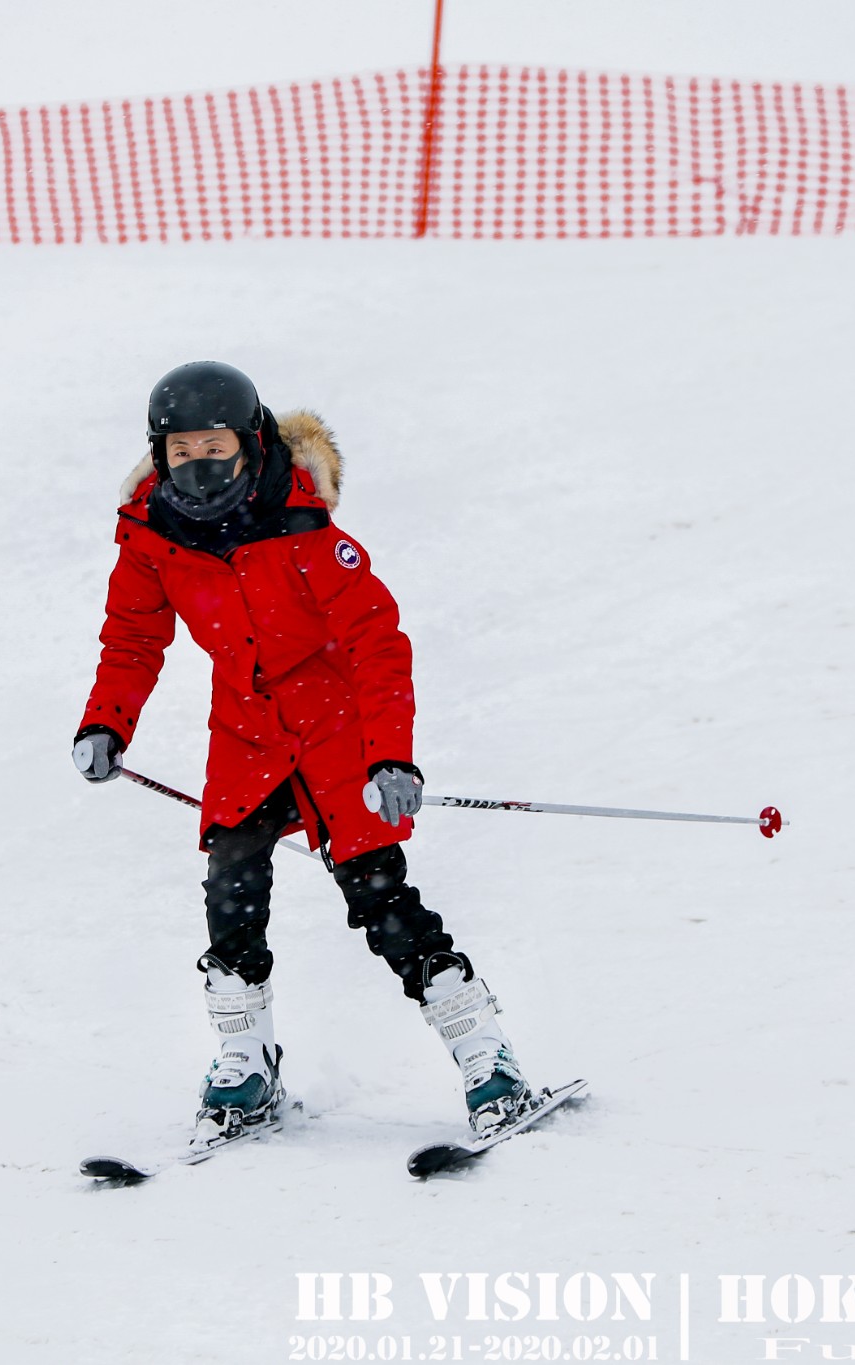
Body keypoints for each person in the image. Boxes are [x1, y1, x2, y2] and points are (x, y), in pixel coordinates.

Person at [72, 360, 529, 1144]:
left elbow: (377, 645)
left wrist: (391, 756)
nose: (199, 464)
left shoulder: (306, 529)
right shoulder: (152, 534)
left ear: (249, 443)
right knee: (231, 899)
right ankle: (245, 1063)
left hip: (333, 731)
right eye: (182, 450)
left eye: (214, 446)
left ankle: (488, 1058)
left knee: (380, 900)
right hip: (246, 735)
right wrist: (106, 722)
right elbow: (134, 636)